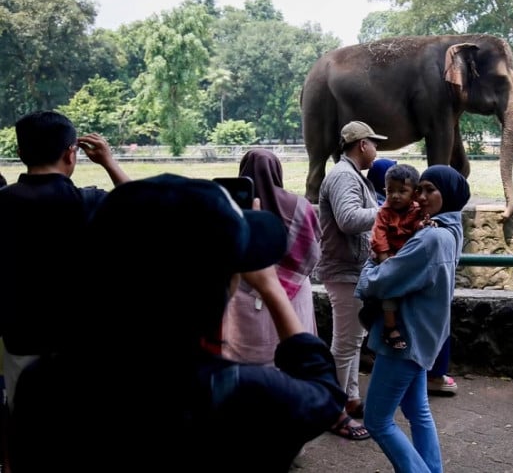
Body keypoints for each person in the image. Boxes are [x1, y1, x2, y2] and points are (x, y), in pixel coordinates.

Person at [10, 174, 347, 472]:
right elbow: (325, 392)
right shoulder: (247, 392)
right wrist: (271, 289)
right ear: (223, 285)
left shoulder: (43, 385)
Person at [0, 111, 130, 412]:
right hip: (83, 347)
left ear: (20, 154)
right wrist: (110, 162)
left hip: (20, 340)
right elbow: (145, 206)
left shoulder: (2, 202)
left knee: (27, 430)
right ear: (71, 154)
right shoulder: (90, 202)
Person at [356, 164, 470, 473]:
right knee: (416, 409)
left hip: (404, 337)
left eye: (430, 190)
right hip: (426, 334)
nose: (420, 196)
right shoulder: (450, 229)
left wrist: (369, 266)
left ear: (449, 195)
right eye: (419, 189)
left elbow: (379, 282)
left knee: (377, 420)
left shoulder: (430, 239)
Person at [315, 120, 386, 440]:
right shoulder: (344, 176)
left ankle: (350, 397)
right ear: (361, 145)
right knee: (344, 344)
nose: (376, 149)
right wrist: (388, 212)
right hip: (345, 270)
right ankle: (332, 411)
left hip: (350, 268)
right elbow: (347, 220)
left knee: (352, 340)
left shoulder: (349, 174)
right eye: (374, 143)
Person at [217, 148, 323, 364]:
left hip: (242, 292)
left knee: (243, 359)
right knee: (296, 359)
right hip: (293, 296)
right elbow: (313, 250)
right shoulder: (300, 206)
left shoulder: (228, 208)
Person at [370, 163, 429, 350]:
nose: (395, 196)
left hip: (409, 260)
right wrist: (385, 259)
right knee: (389, 291)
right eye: (390, 191)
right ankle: (390, 327)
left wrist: (421, 226)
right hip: (389, 259)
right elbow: (378, 235)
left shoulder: (418, 210)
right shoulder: (384, 212)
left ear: (413, 193)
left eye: (402, 191)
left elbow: (418, 228)